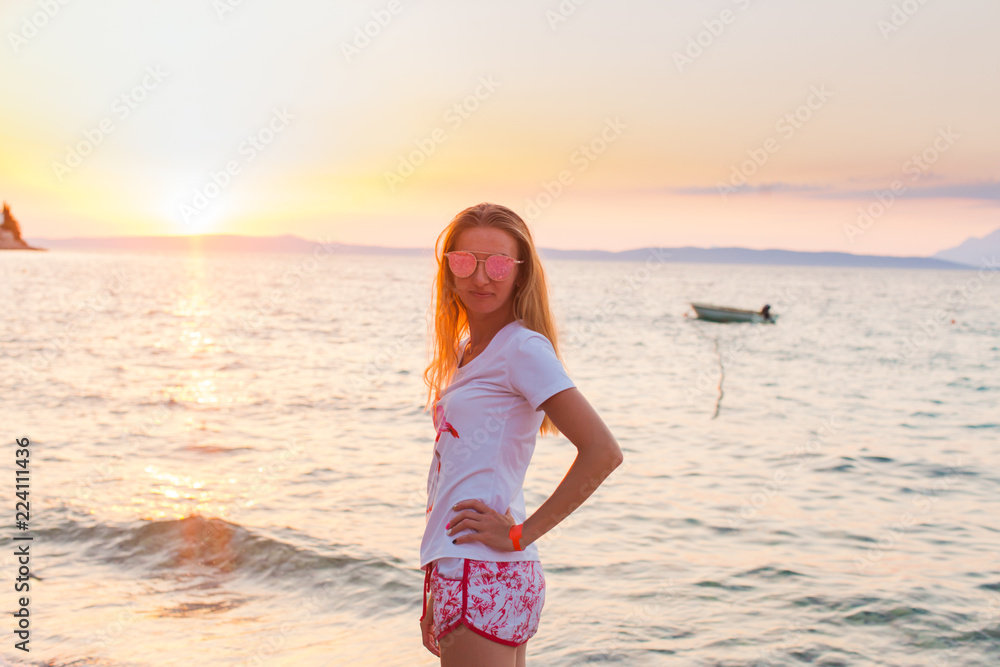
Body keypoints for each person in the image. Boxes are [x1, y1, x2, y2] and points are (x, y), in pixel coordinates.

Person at [418, 202, 624, 666]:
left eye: (497, 264)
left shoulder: (521, 348)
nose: (480, 277)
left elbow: (603, 452)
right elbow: (453, 476)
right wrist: (435, 581)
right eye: (465, 261)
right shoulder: (469, 351)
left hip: (483, 572)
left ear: (519, 272)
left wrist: (520, 535)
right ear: (449, 269)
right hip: (466, 570)